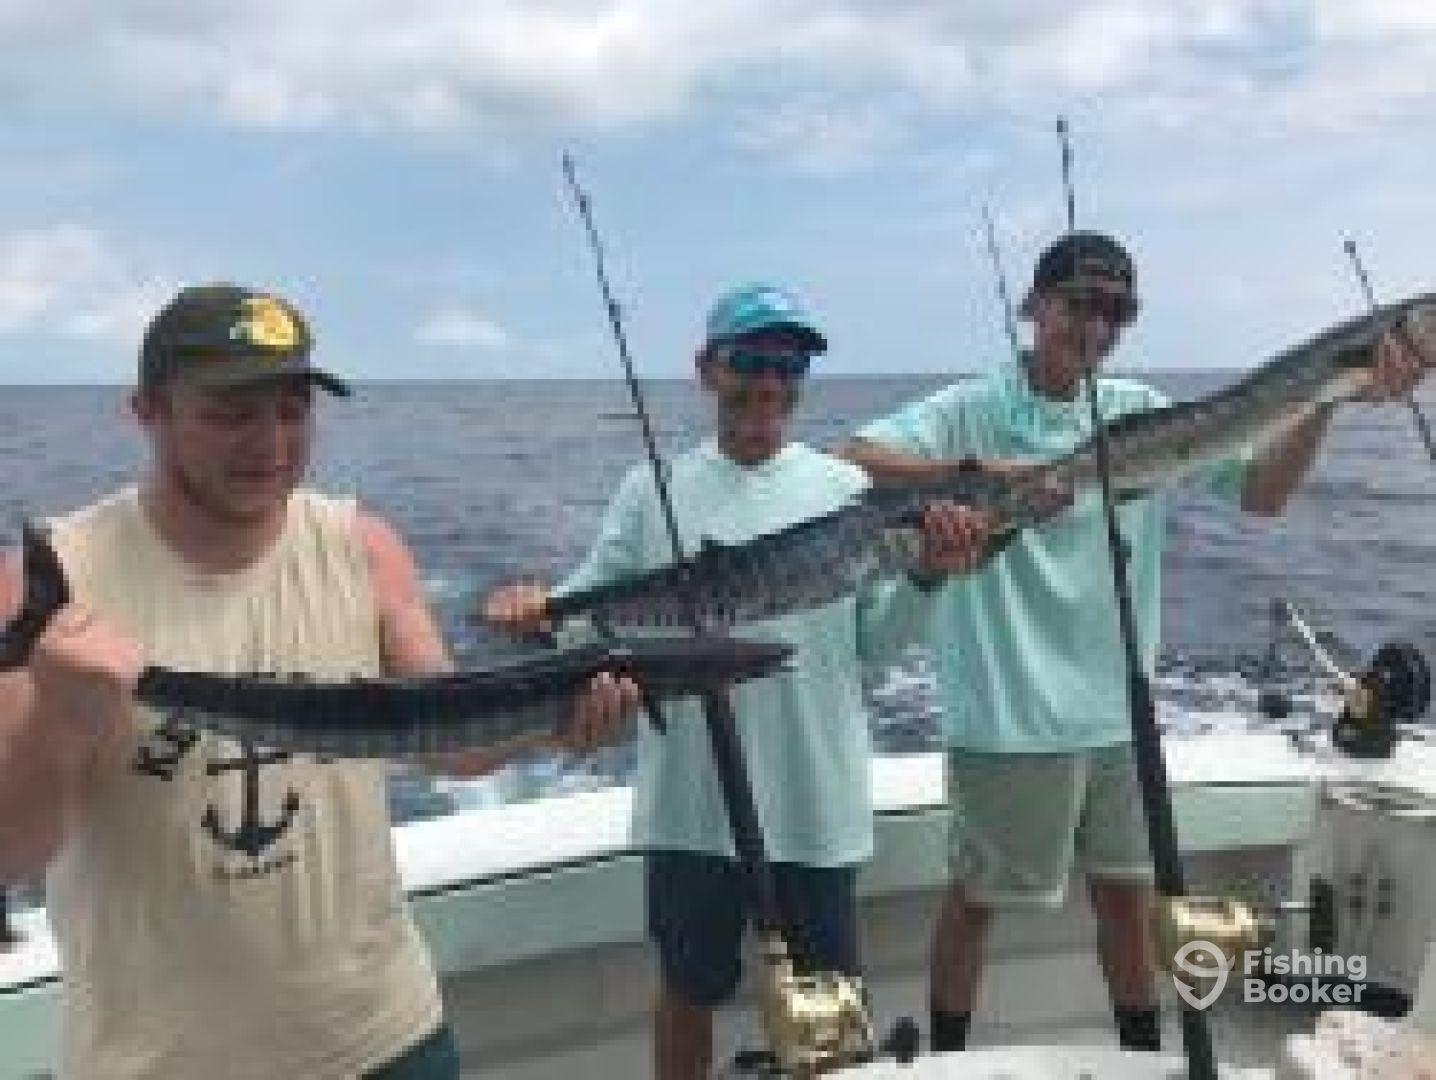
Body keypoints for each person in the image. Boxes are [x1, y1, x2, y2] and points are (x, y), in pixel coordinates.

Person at [0, 283, 641, 1079]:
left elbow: (445, 744)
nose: (269, 441)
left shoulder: (362, 547)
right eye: (231, 413)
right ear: (147, 410)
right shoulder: (51, 582)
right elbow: (11, 849)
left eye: (293, 410)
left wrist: (560, 721)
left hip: (387, 1035)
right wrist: (59, 720)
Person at [837, 232, 1431, 1053]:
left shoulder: (1137, 409)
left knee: (1127, 897)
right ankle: (946, 1056)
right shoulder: (969, 408)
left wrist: (1329, 395)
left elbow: (1261, 494)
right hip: (1009, 716)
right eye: (1079, 302)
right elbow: (853, 457)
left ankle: (1143, 1055)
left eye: (1116, 311)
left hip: (1120, 716)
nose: (1096, 324)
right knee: (975, 900)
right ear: (1035, 303)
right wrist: (975, 472)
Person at [484, 283, 969, 1080]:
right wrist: (533, 613)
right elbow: (584, 611)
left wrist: (930, 579)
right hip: (692, 808)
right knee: (687, 990)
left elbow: (870, 649)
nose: (769, 381)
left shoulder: (848, 491)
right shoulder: (651, 491)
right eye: (750, 359)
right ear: (708, 369)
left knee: (831, 1005)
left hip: (816, 800)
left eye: (789, 363)